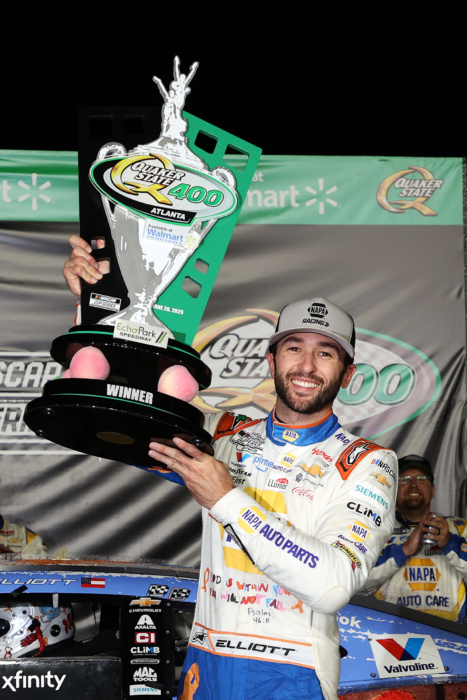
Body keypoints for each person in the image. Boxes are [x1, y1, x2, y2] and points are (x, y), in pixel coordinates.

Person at [64, 237, 397, 700]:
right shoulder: (224, 434)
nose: (306, 365)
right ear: (271, 360)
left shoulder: (368, 462)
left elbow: (333, 585)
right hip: (207, 664)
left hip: (292, 675)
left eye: (325, 353)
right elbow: (116, 409)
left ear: (348, 374)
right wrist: (96, 306)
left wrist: (226, 499)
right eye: (293, 348)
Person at [364, 454, 467, 622]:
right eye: (404, 479)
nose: (413, 485)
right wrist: (403, 550)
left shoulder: (460, 528)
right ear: (393, 490)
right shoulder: (376, 528)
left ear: (433, 490)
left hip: (451, 631)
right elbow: (356, 581)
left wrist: (450, 543)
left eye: (421, 479)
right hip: (389, 630)